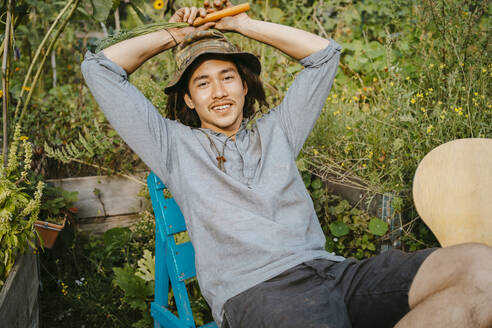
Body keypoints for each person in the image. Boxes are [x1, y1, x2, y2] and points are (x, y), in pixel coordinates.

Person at [81, 2, 492, 327]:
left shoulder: (279, 131)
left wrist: (239, 24)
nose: (218, 92)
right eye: (202, 83)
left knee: (481, 269)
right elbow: (99, 69)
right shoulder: (172, 146)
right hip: (257, 293)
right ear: (189, 100)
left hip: (333, 275)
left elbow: (323, 55)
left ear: (244, 86)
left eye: (227, 77)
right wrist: (178, 35)